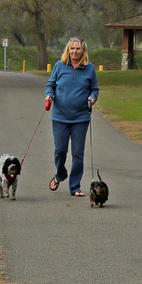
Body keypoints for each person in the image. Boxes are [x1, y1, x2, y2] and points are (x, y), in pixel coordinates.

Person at [45, 37, 99, 197]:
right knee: (60, 151)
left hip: (81, 118)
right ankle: (60, 174)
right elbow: (51, 84)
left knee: (77, 154)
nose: (75, 52)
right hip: (60, 117)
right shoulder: (59, 66)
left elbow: (94, 89)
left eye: (78, 49)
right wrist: (49, 95)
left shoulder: (89, 68)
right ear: (68, 50)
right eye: (72, 49)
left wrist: (92, 98)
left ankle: (75, 186)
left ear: (83, 51)